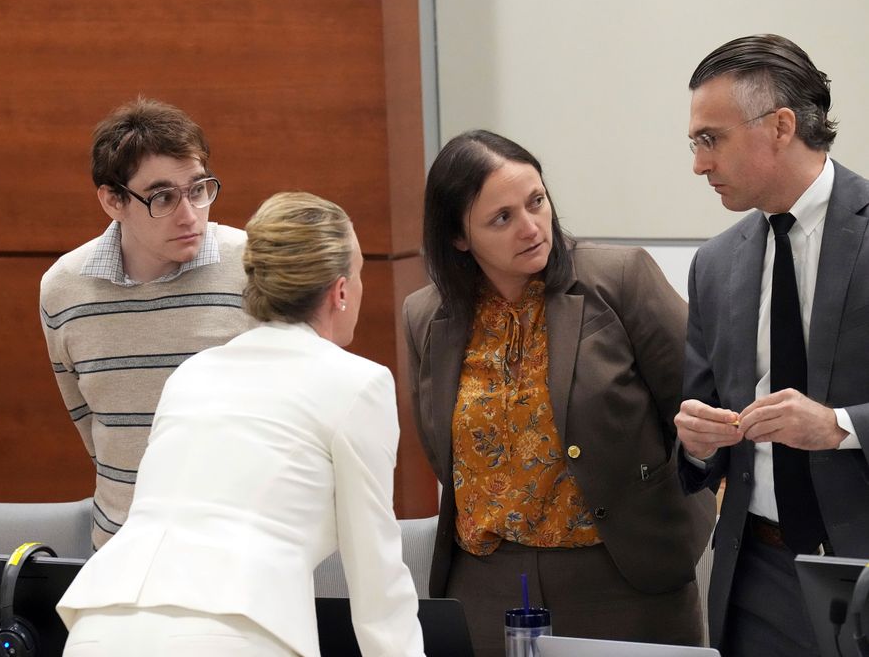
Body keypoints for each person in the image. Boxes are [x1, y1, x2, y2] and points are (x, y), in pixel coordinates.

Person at [56, 192, 425, 657]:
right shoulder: (358, 382)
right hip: (231, 634)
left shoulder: (193, 372)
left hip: (101, 628)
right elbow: (377, 578)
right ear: (341, 291)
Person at [403, 130, 715, 656]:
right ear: (459, 237)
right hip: (485, 585)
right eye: (501, 218)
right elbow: (441, 451)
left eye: (536, 202)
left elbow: (696, 408)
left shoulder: (619, 279)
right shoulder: (425, 316)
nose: (530, 228)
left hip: (623, 576)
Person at [675, 34, 869, 656]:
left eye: (712, 139)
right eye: (695, 144)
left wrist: (839, 426)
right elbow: (698, 427)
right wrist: (697, 442)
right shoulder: (714, 264)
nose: (699, 164)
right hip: (757, 573)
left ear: (781, 125)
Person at [40, 98, 256, 549]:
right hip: (121, 548)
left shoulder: (254, 268)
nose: (189, 213)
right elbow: (90, 421)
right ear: (113, 200)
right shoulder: (64, 288)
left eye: (198, 190)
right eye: (162, 197)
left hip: (239, 548)